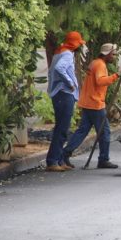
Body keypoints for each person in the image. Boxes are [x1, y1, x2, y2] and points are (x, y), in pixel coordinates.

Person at [62, 43, 121, 169]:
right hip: (95, 104)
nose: (114, 56)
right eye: (113, 54)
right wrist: (116, 75)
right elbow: (100, 81)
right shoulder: (100, 65)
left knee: (82, 131)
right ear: (106, 54)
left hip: (88, 102)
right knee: (105, 132)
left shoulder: (94, 63)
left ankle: (65, 153)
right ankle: (103, 159)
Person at [45, 31, 86, 172]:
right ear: (74, 44)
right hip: (64, 94)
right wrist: (70, 83)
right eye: (79, 43)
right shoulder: (67, 54)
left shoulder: (59, 52)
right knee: (62, 128)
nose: (80, 46)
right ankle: (53, 161)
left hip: (59, 94)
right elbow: (59, 69)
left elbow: (52, 71)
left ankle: (59, 160)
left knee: (61, 128)